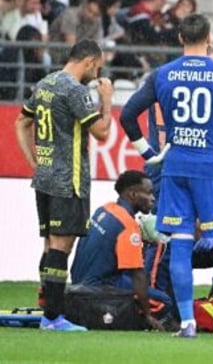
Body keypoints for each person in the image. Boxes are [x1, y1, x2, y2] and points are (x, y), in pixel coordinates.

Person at [119, 13, 213, 340]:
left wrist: (150, 153)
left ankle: (187, 322)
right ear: (209, 37)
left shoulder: (163, 74)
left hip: (176, 169)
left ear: (179, 39)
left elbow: (129, 114)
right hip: (211, 169)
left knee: (181, 243)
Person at [14, 39, 113, 332]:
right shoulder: (75, 90)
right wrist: (106, 99)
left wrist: (34, 162)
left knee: (49, 245)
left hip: (44, 177)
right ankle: (53, 317)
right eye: (97, 66)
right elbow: (103, 133)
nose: (97, 73)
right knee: (61, 246)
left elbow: (21, 122)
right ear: (89, 61)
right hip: (68, 180)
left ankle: (50, 309)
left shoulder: (45, 83)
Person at [70, 170, 170, 330]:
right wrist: (148, 314)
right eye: (149, 193)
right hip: (98, 289)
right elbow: (137, 275)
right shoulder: (128, 226)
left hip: (77, 282)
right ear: (133, 194)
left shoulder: (103, 209)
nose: (153, 199)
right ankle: (144, 323)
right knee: (164, 301)